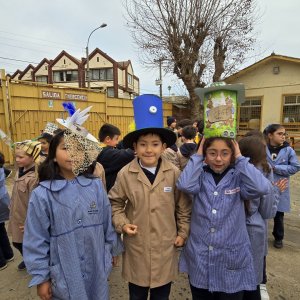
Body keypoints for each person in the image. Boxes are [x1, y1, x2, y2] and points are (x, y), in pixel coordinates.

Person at [23, 108, 123, 300]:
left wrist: (111, 249)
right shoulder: (42, 194)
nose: (73, 153)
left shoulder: (95, 186)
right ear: (52, 155)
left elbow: (105, 222)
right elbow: (36, 238)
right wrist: (41, 277)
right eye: (66, 148)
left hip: (96, 265)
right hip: (63, 271)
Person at [109, 94, 191, 300]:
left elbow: (183, 206)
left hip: (166, 244)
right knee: (136, 294)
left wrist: (183, 231)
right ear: (134, 148)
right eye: (143, 144)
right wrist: (122, 224)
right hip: (138, 246)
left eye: (155, 144)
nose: (149, 149)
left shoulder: (173, 173)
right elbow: (115, 203)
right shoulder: (125, 174)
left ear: (163, 147)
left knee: (161, 295)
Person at [176, 136, 271, 299]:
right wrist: (198, 156)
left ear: (232, 155)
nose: (218, 158)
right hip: (201, 256)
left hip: (231, 256)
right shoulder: (200, 176)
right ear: (205, 155)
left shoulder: (238, 177)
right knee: (201, 294)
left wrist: (240, 159)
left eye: (225, 153)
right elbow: (184, 184)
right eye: (212, 153)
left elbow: (262, 187)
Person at [239, 135, 287, 300]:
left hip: (232, 229)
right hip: (254, 230)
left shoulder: (232, 169)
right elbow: (268, 212)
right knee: (252, 280)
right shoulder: (265, 170)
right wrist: (275, 192)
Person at [264, 124, 300, 249]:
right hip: (265, 184)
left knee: (279, 214)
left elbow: (296, 167)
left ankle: (278, 236)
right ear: (270, 135)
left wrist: (276, 168)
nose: (283, 136)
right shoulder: (263, 148)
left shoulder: (288, 150)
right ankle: (261, 233)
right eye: (279, 134)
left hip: (281, 186)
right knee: (262, 209)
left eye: (284, 134)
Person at [7, 140, 41, 271]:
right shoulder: (19, 171)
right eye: (16, 156)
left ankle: (34, 262)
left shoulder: (33, 178)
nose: (17, 160)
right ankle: (27, 259)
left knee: (27, 242)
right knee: (16, 241)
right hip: (17, 213)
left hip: (26, 217)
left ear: (33, 158)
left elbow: (35, 203)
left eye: (21, 157)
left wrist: (30, 221)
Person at [97, 123, 135, 192]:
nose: (117, 142)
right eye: (116, 139)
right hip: (108, 193)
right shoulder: (106, 153)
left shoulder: (100, 148)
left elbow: (119, 145)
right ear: (108, 139)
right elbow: (127, 154)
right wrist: (139, 148)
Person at [0, 152, 14, 270]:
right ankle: (9, 254)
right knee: (1, 228)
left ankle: (1, 262)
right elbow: (9, 173)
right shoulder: (2, 169)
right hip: (3, 201)